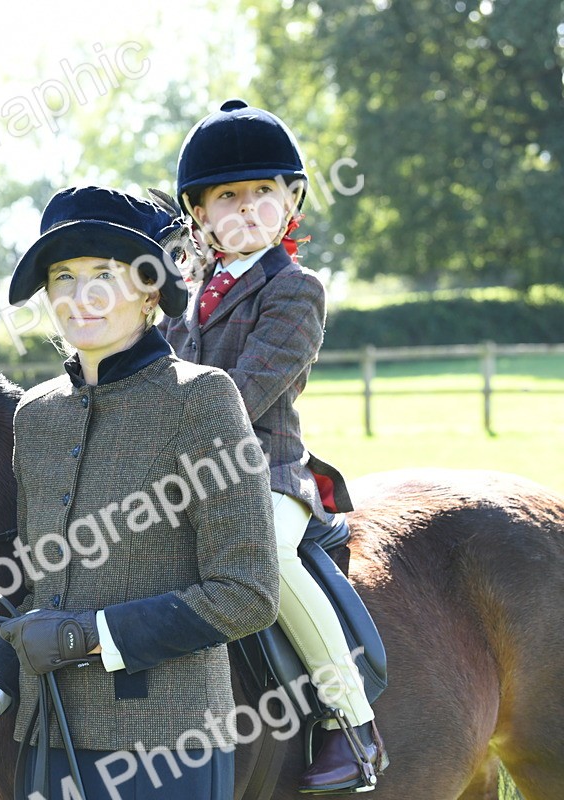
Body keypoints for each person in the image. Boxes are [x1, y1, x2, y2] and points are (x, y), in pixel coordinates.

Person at [0, 185, 280, 800]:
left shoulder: (203, 398)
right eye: (63, 276)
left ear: (147, 290)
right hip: (46, 740)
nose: (79, 298)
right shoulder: (35, 415)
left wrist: (87, 636)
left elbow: (246, 593)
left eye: (103, 275)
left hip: (169, 747)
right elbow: (45, 592)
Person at [164, 98, 388, 793]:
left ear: (291, 201)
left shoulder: (295, 290)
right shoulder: (183, 293)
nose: (248, 207)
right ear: (199, 212)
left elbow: (245, 392)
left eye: (264, 192)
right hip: (176, 475)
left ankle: (351, 723)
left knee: (273, 563)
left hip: (265, 474)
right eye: (228, 195)